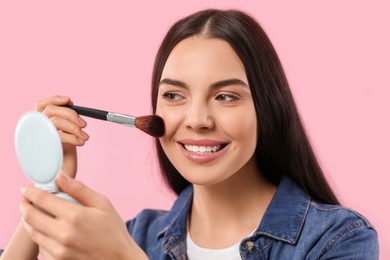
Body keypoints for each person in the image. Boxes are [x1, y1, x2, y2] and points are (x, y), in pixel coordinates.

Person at [1, 9, 379, 259]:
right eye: (174, 95)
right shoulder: (138, 233)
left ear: (266, 106)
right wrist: (50, 183)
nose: (196, 119)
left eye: (226, 96)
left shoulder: (338, 239)